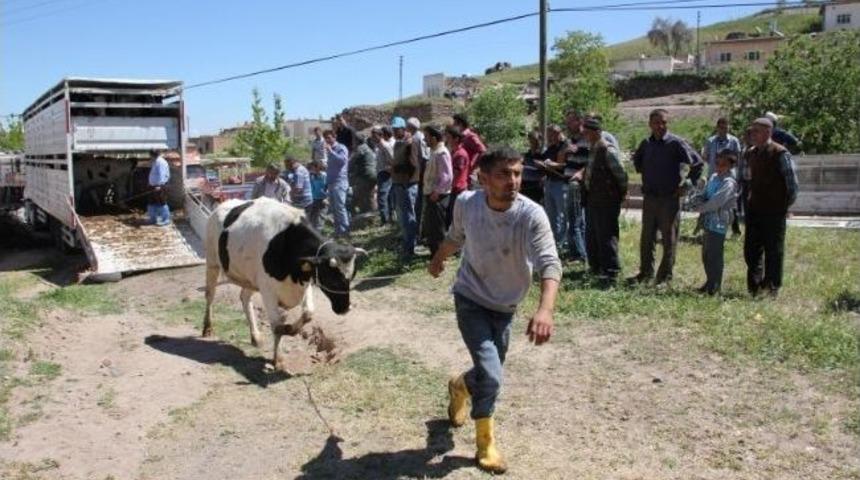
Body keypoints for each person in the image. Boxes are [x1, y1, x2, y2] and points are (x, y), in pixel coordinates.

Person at [428, 146, 561, 475]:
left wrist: (545, 309)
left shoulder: (531, 214)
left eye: (517, 173)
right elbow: (456, 236)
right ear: (482, 179)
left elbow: (549, 261)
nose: (513, 181)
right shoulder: (466, 204)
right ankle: (485, 444)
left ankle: (460, 385)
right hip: (470, 297)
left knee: (487, 374)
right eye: (504, 174)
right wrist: (438, 258)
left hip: (505, 306)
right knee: (492, 374)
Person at [629, 109, 701, 286]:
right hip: (650, 198)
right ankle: (645, 273)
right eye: (657, 123)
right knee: (647, 238)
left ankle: (664, 277)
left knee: (669, 239)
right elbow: (637, 162)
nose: (661, 126)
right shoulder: (646, 144)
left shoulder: (675, 143)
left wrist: (686, 185)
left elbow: (697, 163)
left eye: (664, 122)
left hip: (669, 199)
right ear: (650, 124)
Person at [743, 117, 799, 297]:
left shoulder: (780, 153)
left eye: (756, 131)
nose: (752, 134)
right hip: (754, 208)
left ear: (768, 132)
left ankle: (772, 287)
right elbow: (747, 179)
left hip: (774, 210)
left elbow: (792, 184)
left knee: (774, 250)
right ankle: (755, 286)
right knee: (751, 249)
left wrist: (784, 204)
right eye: (752, 131)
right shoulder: (751, 153)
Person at [582, 118, 628, 284]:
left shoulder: (607, 150)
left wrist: (622, 193)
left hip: (607, 199)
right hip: (593, 198)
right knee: (592, 234)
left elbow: (621, 174)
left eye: (587, 132)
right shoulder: (593, 149)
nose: (584, 135)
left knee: (606, 234)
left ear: (596, 132)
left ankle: (611, 271)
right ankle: (596, 267)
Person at [689, 149, 739, 295]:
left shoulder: (729, 183)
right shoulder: (713, 177)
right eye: (717, 162)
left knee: (715, 254)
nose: (719, 166)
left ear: (730, 165)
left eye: (723, 163)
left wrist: (702, 208)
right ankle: (709, 282)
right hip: (708, 220)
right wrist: (697, 198)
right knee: (706, 254)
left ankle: (714, 287)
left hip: (719, 220)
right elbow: (705, 194)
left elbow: (717, 201)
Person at [534, 125, 570, 250]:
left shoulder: (566, 146)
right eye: (549, 135)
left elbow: (568, 165)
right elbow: (544, 160)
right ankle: (554, 240)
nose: (551, 137)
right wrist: (541, 164)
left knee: (563, 213)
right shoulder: (550, 147)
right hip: (549, 182)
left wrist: (553, 165)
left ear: (559, 133)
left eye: (553, 134)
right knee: (551, 213)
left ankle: (565, 241)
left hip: (561, 183)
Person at [390, 116, 419, 260]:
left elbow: (413, 165)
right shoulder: (399, 143)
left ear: (403, 129)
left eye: (397, 129)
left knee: (408, 217)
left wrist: (396, 168)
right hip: (398, 183)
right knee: (403, 217)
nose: (394, 132)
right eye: (393, 129)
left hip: (406, 184)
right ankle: (407, 245)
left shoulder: (410, 143)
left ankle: (410, 248)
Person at [421, 125, 453, 256]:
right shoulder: (434, 152)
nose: (425, 140)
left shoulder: (442, 152)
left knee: (437, 228)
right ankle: (435, 253)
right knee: (431, 227)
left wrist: (437, 191)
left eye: (426, 137)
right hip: (432, 195)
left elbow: (447, 176)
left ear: (433, 138)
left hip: (438, 196)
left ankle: (440, 255)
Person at [563, 110, 590, 262]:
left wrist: (579, 174)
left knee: (576, 220)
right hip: (567, 181)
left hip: (576, 184)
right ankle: (578, 251)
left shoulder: (586, 139)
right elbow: (564, 160)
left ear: (580, 122)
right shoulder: (571, 140)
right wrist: (566, 151)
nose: (568, 124)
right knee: (575, 219)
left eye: (571, 121)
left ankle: (579, 254)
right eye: (567, 121)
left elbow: (590, 162)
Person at [323, 129, 350, 238]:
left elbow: (342, 161)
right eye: (326, 138)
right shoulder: (331, 150)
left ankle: (345, 230)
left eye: (329, 137)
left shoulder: (341, 148)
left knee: (340, 207)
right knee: (334, 208)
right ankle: (338, 231)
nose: (327, 140)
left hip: (340, 181)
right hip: (331, 182)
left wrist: (331, 152)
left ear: (334, 137)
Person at [452, 113, 486, 189]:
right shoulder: (461, 136)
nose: (453, 126)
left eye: (455, 124)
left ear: (460, 124)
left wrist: (473, 165)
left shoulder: (470, 136)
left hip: (469, 174)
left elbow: (483, 150)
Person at [372, 125, 396, 225]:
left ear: (380, 135)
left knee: (382, 196)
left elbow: (392, 160)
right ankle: (388, 218)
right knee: (386, 196)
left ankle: (385, 220)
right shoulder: (378, 147)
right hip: (380, 173)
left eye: (374, 136)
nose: (373, 138)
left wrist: (389, 170)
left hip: (386, 174)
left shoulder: (386, 146)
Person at [348, 133, 377, 215]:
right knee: (369, 196)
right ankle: (372, 214)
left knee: (360, 195)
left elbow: (352, 161)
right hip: (372, 174)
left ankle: (366, 214)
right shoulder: (367, 147)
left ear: (356, 141)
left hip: (366, 175)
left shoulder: (360, 148)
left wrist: (347, 170)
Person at [147, 149, 171, 226]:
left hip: (160, 186)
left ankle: (165, 219)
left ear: (152, 155)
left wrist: (159, 185)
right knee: (152, 202)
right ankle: (153, 219)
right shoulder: (156, 161)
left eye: (150, 155)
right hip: (153, 186)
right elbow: (154, 174)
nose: (150, 157)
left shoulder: (160, 162)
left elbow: (162, 174)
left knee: (161, 202)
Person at [521, 130, 545, 204]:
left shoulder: (543, 154)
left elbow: (545, 169)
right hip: (525, 184)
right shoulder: (527, 154)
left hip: (536, 185)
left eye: (534, 140)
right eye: (531, 140)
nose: (532, 142)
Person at [307, 161, 328, 231]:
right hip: (313, 199)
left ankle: (318, 235)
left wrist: (327, 197)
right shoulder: (311, 176)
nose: (311, 170)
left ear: (317, 167)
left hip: (323, 199)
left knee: (320, 218)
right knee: (311, 218)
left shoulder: (324, 175)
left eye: (312, 168)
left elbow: (328, 186)